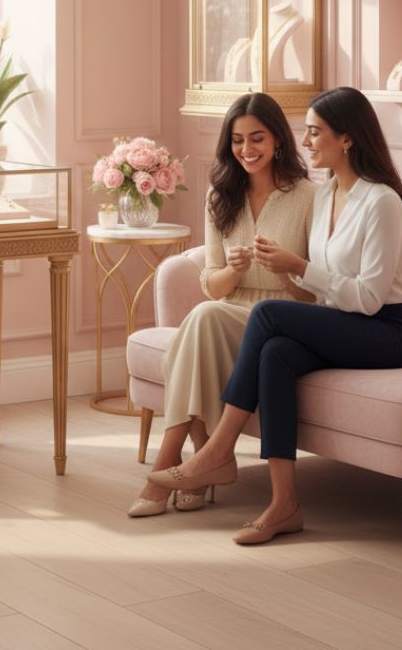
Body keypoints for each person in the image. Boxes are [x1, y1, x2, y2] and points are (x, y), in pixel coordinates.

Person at [146, 86, 402, 545]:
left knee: (268, 315)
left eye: (314, 132)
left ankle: (218, 450)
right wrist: (290, 271)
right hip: (341, 322)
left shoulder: (381, 201)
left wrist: (297, 267)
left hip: (386, 331)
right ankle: (285, 504)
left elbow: (371, 299)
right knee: (274, 352)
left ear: (347, 138)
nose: (306, 141)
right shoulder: (327, 194)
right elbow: (321, 287)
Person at [129, 93, 315, 517]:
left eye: (257, 138)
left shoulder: (307, 196)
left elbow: (316, 291)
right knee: (202, 323)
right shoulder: (220, 195)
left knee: (200, 321)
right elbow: (213, 286)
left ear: (278, 139)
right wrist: (233, 271)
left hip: (284, 316)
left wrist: (284, 270)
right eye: (237, 140)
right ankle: (202, 463)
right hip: (228, 312)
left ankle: (166, 466)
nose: (246, 149)